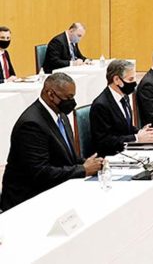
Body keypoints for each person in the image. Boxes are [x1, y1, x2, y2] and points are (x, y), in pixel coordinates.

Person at [0, 73, 104, 211]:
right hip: (28, 199)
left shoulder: (60, 115)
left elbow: (66, 157)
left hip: (54, 188)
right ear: (50, 94)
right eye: (68, 97)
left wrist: (91, 163)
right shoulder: (32, 124)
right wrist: (83, 170)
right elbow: (40, 172)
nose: (72, 102)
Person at [89, 59, 153, 157]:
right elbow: (104, 141)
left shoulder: (124, 97)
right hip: (112, 156)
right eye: (130, 79)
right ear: (116, 80)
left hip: (128, 152)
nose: (134, 83)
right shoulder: (101, 105)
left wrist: (141, 132)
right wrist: (136, 138)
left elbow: (125, 127)